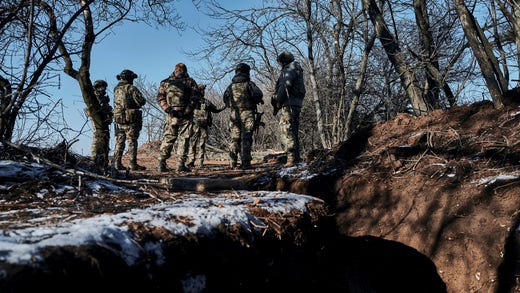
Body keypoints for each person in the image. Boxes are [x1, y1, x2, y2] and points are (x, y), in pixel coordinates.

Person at [157, 63, 200, 173]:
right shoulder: (190, 81)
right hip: (185, 115)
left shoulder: (165, 82)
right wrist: (186, 111)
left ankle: (161, 163)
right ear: (185, 70)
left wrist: (168, 109)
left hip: (171, 115)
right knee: (184, 139)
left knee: (169, 138)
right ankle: (180, 165)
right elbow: (195, 98)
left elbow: (160, 98)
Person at [223, 62, 263, 169]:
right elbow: (258, 94)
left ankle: (232, 162)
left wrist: (230, 105)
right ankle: (246, 164)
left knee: (234, 139)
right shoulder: (249, 83)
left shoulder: (230, 86)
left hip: (234, 114)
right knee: (246, 138)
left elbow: (225, 98)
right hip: (247, 114)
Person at [272, 51, 306, 167]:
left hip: (289, 103)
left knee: (287, 131)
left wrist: (278, 101)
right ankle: (295, 157)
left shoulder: (288, 70)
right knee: (294, 130)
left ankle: (291, 160)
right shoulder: (297, 69)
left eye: (280, 62)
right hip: (297, 103)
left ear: (283, 61)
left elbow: (285, 86)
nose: (280, 64)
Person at [112, 69, 147, 171]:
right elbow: (141, 101)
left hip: (119, 119)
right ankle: (132, 163)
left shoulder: (116, 89)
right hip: (130, 120)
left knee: (119, 141)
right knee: (131, 141)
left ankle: (116, 163)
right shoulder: (131, 88)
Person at [187, 84, 226, 168]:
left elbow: (216, 109)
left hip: (202, 126)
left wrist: (225, 105)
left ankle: (197, 162)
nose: (203, 92)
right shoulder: (192, 101)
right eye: (202, 91)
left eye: (203, 91)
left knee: (199, 144)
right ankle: (192, 161)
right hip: (195, 125)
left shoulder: (205, 102)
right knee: (194, 144)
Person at [88, 79, 113, 172]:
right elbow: (102, 108)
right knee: (98, 138)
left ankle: (102, 161)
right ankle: (94, 159)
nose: (104, 89)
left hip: (103, 120)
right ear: (98, 87)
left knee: (104, 138)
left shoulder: (100, 96)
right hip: (98, 121)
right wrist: (109, 109)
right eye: (103, 87)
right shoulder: (96, 97)